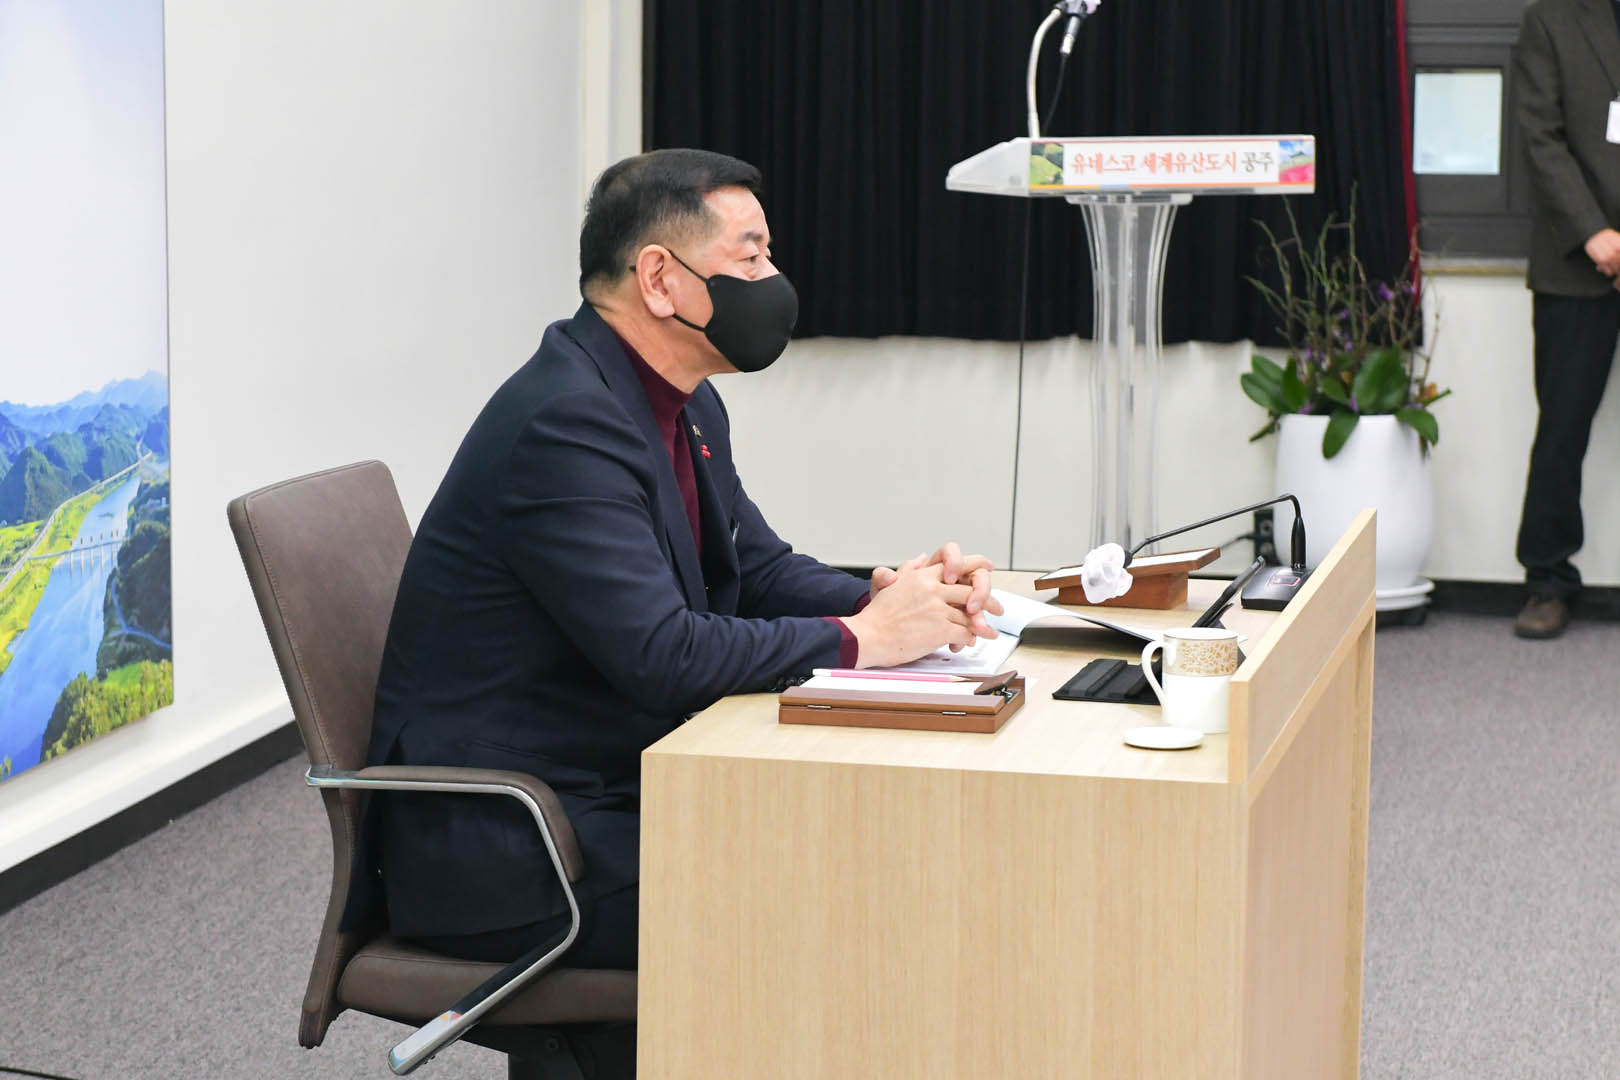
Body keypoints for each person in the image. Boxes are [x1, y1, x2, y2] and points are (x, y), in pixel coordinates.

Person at [362, 149, 1001, 987]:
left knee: (860, 846)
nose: (772, 281)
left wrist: (897, 599)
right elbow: (664, 655)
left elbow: (756, 570)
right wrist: (866, 638)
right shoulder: (564, 424)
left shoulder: (685, 400)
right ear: (660, 279)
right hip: (515, 842)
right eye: (750, 256)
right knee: (839, 890)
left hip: (615, 779)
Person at [1512, 0, 1620, 638]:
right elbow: (1540, 136)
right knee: (1562, 430)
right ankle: (1547, 579)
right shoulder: (1550, 19)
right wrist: (1595, 234)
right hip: (1576, 261)